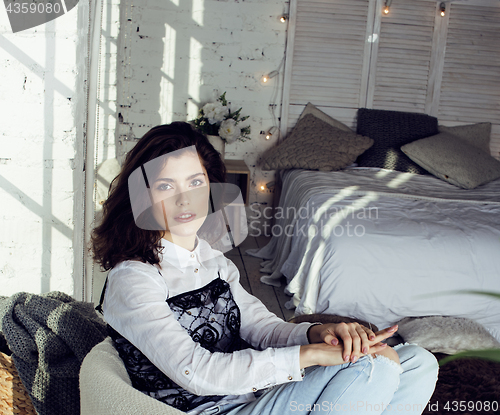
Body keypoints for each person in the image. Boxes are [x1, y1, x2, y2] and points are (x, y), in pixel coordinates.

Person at [91, 122, 438, 415]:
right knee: (369, 364)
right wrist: (311, 355)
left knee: (418, 361)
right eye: (166, 186)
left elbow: (261, 328)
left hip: (254, 396)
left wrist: (319, 334)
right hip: (213, 410)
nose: (185, 200)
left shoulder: (211, 259)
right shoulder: (135, 278)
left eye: (195, 182)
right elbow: (195, 372)